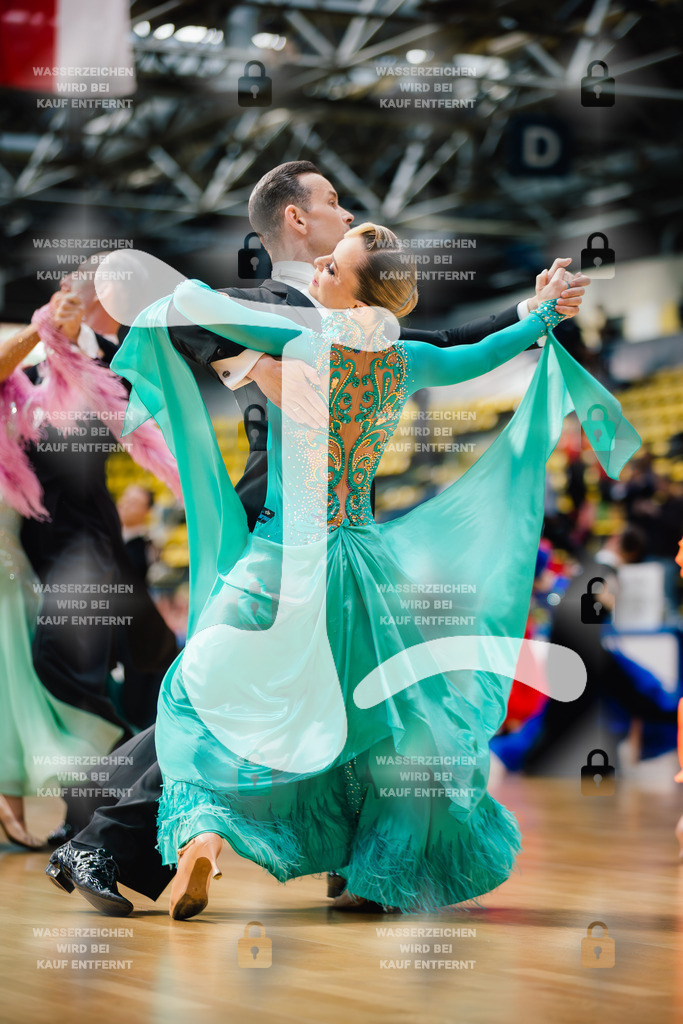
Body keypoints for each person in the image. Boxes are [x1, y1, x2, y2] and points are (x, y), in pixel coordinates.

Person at [46, 161, 591, 916]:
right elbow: (459, 350)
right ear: (297, 221)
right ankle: (339, 860)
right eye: (332, 201)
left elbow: (176, 302)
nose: (343, 209)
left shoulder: (311, 332)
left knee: (222, 695)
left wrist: (241, 351)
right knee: (364, 707)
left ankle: (203, 836)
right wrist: (538, 319)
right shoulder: (361, 338)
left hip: (285, 545)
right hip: (342, 545)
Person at [0, 295, 124, 848]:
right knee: (52, 670)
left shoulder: (116, 363)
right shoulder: (23, 374)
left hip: (84, 545)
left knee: (68, 666)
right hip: (30, 550)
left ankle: (92, 818)